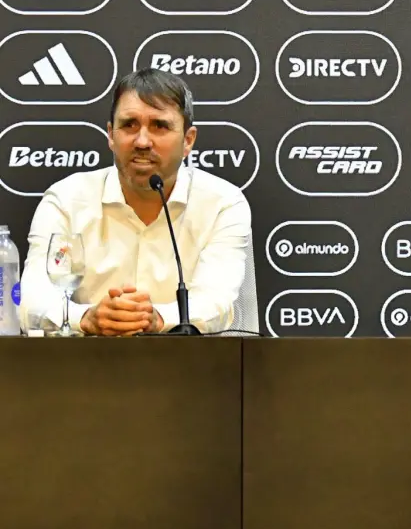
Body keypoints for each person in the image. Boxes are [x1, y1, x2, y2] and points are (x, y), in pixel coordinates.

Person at [19, 69, 252, 336]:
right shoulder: (66, 200)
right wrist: (86, 318)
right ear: (111, 134)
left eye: (160, 126)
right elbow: (32, 300)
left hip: (185, 360)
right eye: (129, 125)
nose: (142, 141)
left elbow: (216, 301)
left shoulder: (222, 203)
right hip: (85, 359)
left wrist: (158, 319)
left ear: (188, 140)